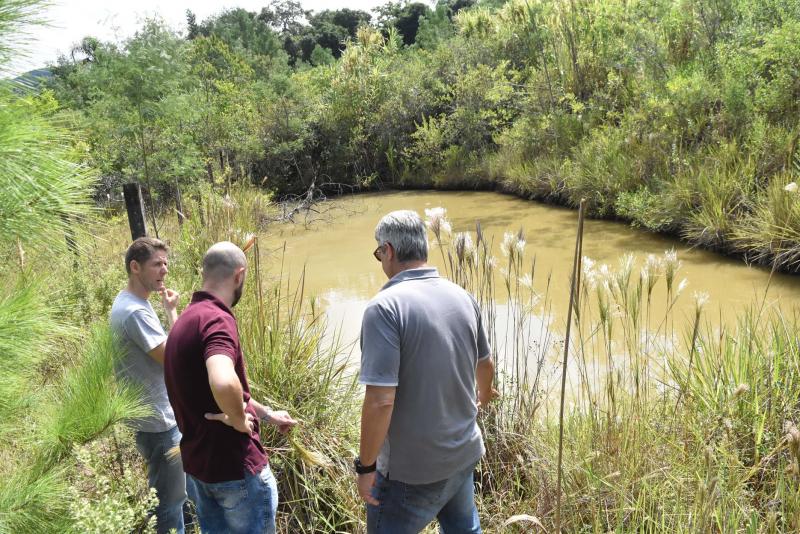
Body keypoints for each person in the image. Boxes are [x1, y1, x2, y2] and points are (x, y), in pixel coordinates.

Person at [355, 210, 497, 534]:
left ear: (388, 250)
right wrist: (482, 398)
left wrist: (365, 466)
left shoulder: (385, 307)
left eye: (378, 253)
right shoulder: (461, 296)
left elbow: (380, 401)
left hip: (411, 473)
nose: (380, 260)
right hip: (462, 454)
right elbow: (485, 366)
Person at [164, 241, 298, 534]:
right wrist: (238, 420)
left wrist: (267, 414)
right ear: (239, 275)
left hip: (200, 471)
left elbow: (210, 393)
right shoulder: (217, 320)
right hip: (235, 470)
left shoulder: (185, 321)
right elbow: (223, 381)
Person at [110, 237, 186, 534]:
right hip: (158, 421)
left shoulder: (129, 301)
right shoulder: (136, 312)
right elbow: (173, 358)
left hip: (148, 415)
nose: (164, 271)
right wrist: (172, 313)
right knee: (168, 502)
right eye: (157, 264)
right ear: (135, 266)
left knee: (175, 494)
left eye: (165, 264)